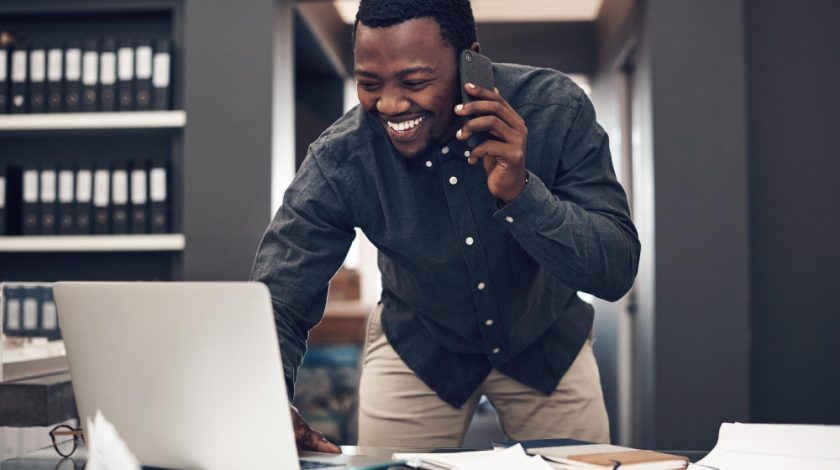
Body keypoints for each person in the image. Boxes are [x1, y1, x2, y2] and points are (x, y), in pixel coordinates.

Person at [250, 0, 640, 452]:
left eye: (415, 81)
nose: (391, 104)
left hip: (546, 342)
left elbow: (615, 270)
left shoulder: (555, 109)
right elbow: (281, 293)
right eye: (369, 83)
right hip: (419, 348)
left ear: (469, 60)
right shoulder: (341, 158)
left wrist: (522, 194)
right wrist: (269, 396)